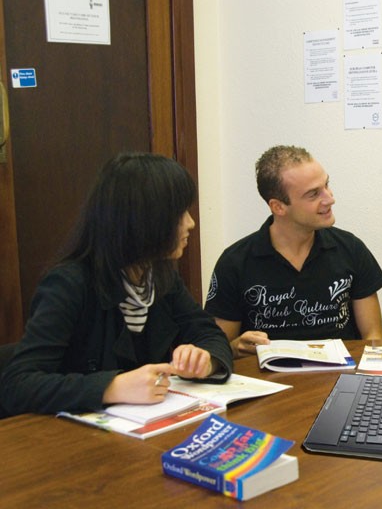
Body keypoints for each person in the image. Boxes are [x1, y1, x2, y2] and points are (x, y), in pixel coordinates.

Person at [0, 153, 233, 416]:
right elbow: (18, 385)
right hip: (69, 432)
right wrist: (111, 387)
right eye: (179, 213)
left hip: (143, 425)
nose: (191, 223)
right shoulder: (69, 283)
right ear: (143, 220)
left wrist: (205, 360)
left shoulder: (160, 276)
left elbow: (209, 334)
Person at [205, 145, 382, 357]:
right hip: (267, 375)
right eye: (313, 194)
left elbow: (373, 337)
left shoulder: (351, 249)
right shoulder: (234, 262)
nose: (330, 199)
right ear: (278, 207)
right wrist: (236, 348)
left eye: (326, 185)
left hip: (342, 373)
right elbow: (217, 350)